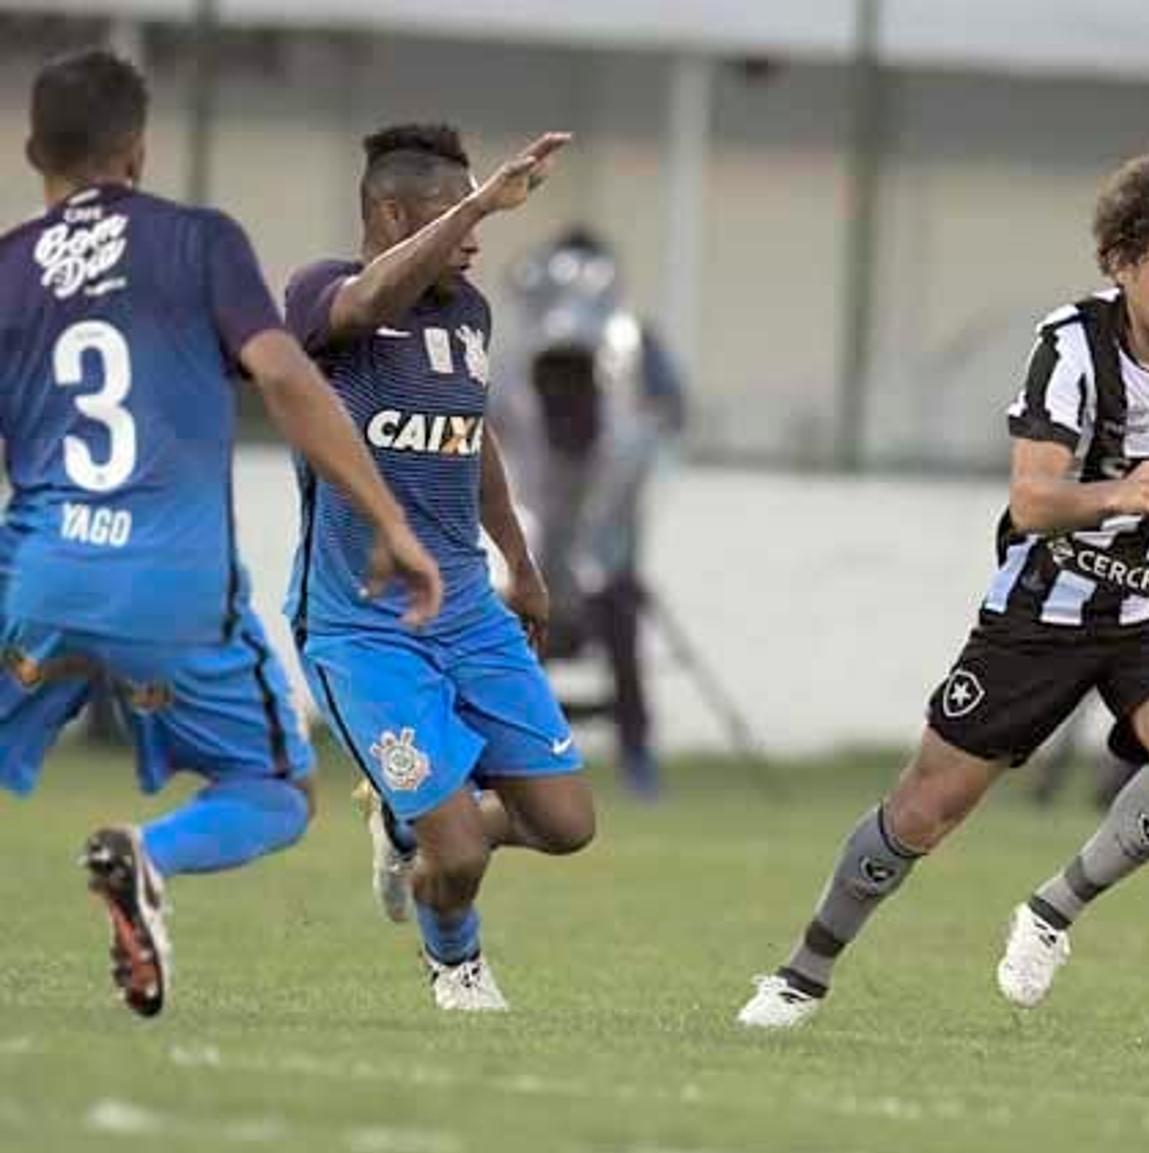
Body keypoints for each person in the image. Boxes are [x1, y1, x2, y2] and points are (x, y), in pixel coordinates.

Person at [737, 145, 1149, 1030]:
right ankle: (802, 974)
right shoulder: (1072, 346)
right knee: (927, 806)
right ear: (1121, 264)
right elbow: (1033, 501)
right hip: (1048, 604)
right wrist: (1124, 488)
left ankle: (1051, 911)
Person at [0, 50, 441, 1017]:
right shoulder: (199, 243)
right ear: (141, 152)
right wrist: (388, 519)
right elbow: (286, 376)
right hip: (175, 588)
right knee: (275, 789)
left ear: (34, 150)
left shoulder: (8, 268)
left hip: (38, 575)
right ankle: (146, 855)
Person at [285, 123, 594, 1012]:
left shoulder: (468, 313)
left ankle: (401, 819)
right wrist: (482, 194)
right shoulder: (321, 297)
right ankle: (457, 967)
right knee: (455, 855)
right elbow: (365, 306)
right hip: (360, 628)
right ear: (390, 213)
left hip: (467, 612)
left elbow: (472, 437)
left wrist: (520, 561)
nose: (476, 231)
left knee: (566, 825)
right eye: (455, 211)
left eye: (479, 211)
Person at [493, 227, 688, 798]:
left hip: (603, 556)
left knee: (620, 616)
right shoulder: (512, 378)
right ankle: (508, 754)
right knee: (503, 632)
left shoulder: (631, 366)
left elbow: (664, 426)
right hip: (527, 554)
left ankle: (637, 756)